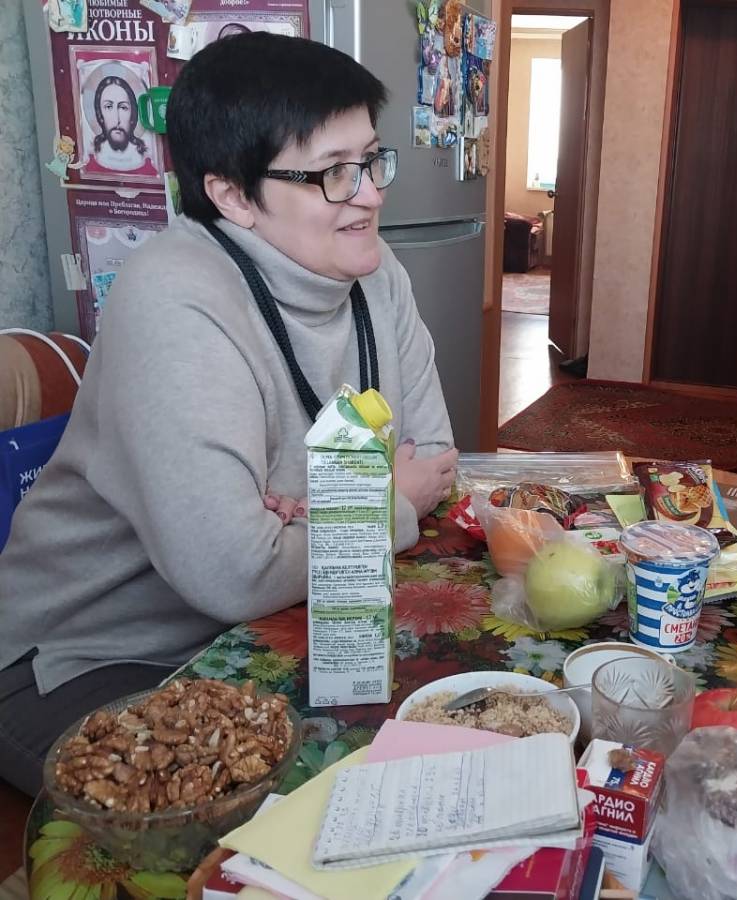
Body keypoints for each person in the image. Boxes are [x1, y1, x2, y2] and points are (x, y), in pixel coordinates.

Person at [0, 33, 458, 797]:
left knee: (442, 742)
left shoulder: (379, 278)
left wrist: (300, 518)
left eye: (372, 160)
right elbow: (235, 572)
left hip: (276, 620)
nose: (371, 195)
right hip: (95, 657)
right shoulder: (174, 296)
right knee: (302, 815)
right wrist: (384, 503)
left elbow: (434, 460)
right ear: (233, 195)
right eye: (333, 173)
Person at [88, 74, 156, 175]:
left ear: (133, 113)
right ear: (99, 113)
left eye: (123, 107)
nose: (117, 119)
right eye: (108, 107)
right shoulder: (94, 150)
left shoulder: (142, 152)